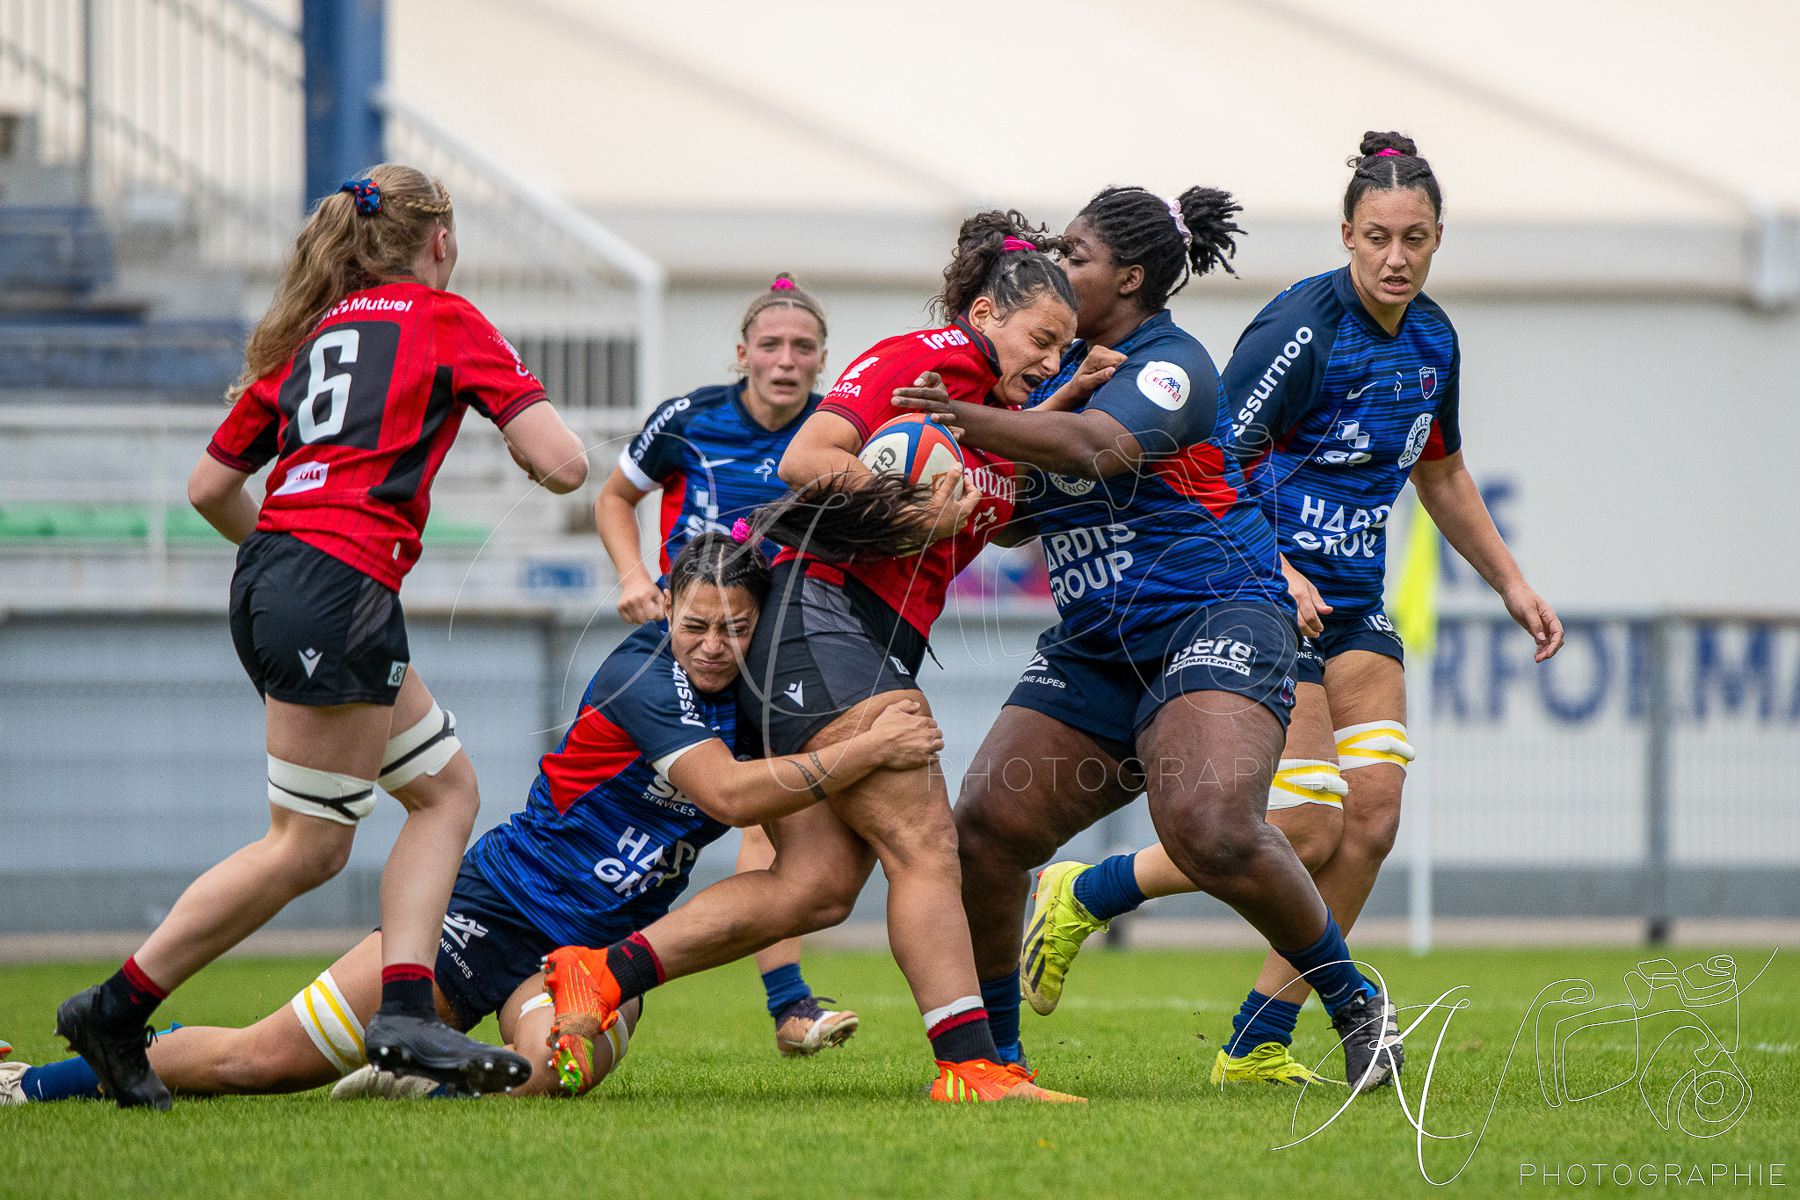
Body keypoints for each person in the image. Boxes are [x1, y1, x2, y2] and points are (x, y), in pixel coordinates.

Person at [4, 534, 944, 1105]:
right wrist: (867, 749)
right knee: (258, 1060)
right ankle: (31, 1085)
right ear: (666, 605)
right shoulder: (643, 674)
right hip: (490, 907)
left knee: (548, 1076)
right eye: (696, 623)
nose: (712, 645)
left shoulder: (761, 695)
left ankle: (424, 1072)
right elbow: (734, 798)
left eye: (735, 627)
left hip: (593, 954)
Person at [1010, 137, 1564, 1087]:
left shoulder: (1434, 341)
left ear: (1438, 240)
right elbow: (1216, 456)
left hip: (1355, 603)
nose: (1396, 256)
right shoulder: (1302, 326)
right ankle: (1085, 891)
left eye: (1415, 238)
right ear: (1346, 235)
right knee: (1305, 825)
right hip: (1261, 592)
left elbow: (1440, 471)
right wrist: (1278, 568)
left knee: (1372, 821)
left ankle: (1257, 1040)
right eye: (1378, 237)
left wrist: (1512, 583)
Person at [50, 165, 591, 1109]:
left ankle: (406, 1010)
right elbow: (566, 464)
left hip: (280, 576)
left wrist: (288, 555)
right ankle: (115, 1007)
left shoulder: (312, 335)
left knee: (445, 792)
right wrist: (518, 444)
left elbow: (208, 489)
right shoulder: (446, 319)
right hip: (339, 587)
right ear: (441, 241)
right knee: (306, 846)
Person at [541, 212, 1104, 1104]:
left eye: (1062, 347)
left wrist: (1063, 408)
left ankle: (601, 973)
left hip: (858, 636)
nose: (1050, 358)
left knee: (817, 887)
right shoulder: (921, 357)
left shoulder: (994, 410)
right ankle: (970, 1067)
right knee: (925, 840)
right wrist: (915, 509)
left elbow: (997, 513)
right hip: (821, 614)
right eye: (1041, 339)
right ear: (985, 314)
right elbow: (807, 457)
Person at [896, 184, 1405, 1095]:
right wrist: (950, 480)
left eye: (1077, 255)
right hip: (1099, 642)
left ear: (1129, 278)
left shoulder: (1173, 364)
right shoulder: (1054, 373)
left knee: (1212, 826)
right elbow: (1017, 522)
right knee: (985, 831)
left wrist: (959, 420)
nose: (1057, 266)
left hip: (1217, 614)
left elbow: (1100, 450)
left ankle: (1356, 1006)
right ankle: (1000, 1063)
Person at [594, 274, 854, 1057]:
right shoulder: (689, 419)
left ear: (822, 359)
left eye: (802, 346)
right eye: (770, 344)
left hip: (776, 656)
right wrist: (633, 576)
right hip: (686, 648)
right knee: (626, 810)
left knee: (776, 814)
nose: (786, 359)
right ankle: (579, 952)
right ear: (742, 353)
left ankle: (790, 1006)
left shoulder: (837, 434)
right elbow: (614, 497)